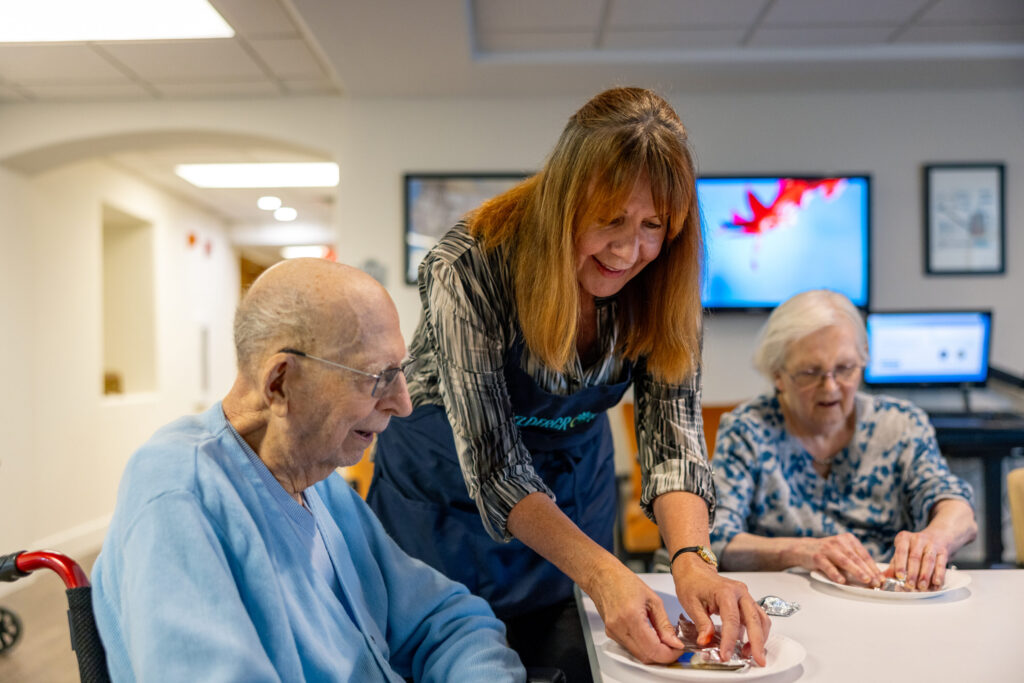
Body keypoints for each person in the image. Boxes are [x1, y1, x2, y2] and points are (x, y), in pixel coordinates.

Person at [367, 86, 769, 680]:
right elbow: (497, 468)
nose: (630, 250)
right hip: (444, 499)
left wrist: (692, 560)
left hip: (571, 502)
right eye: (611, 220)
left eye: (654, 225)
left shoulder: (665, 281)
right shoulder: (471, 264)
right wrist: (606, 572)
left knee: (577, 660)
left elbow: (674, 446)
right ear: (565, 200)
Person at [91, 259, 526, 682]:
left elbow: (447, 620)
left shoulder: (320, 485)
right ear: (280, 382)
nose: (403, 402)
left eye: (402, 372)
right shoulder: (177, 495)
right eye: (378, 377)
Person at [710, 289, 977, 591]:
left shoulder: (900, 424)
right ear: (778, 375)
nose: (831, 387)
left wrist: (936, 538)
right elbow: (716, 538)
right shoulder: (747, 430)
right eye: (811, 372)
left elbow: (955, 506)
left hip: (885, 596)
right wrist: (800, 551)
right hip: (785, 598)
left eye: (845, 368)